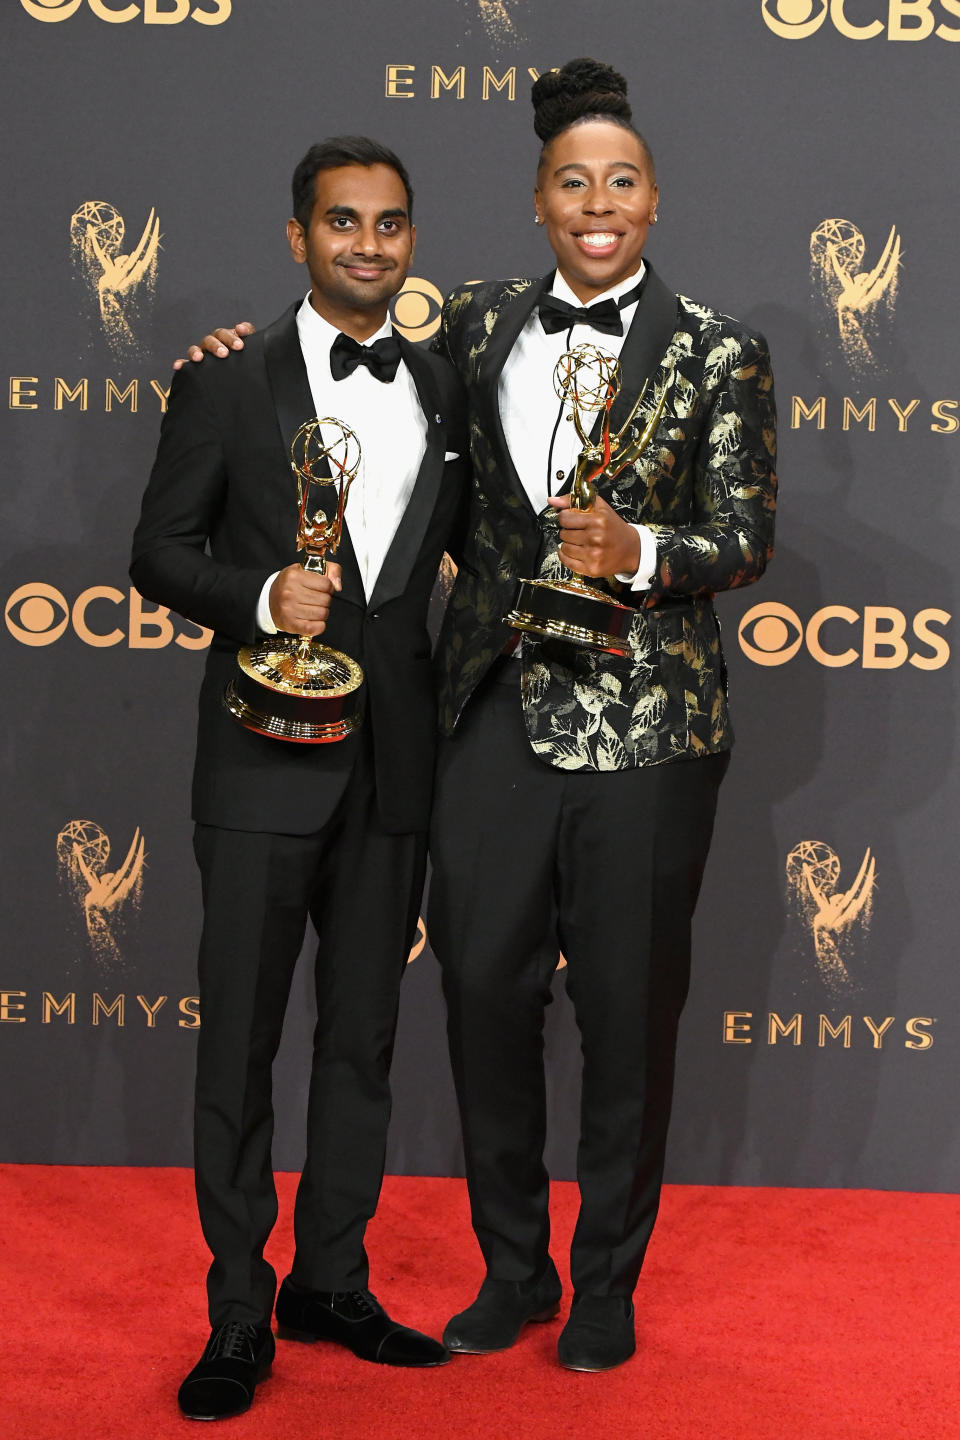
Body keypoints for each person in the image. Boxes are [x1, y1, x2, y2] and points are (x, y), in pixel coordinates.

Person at [182, 57, 778, 1376]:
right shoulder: (478, 324)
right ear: (539, 203)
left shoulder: (721, 348)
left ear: (655, 200)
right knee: (482, 999)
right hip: (488, 720)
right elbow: (331, 361)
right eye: (573, 182)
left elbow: (744, 537)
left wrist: (638, 549)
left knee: (626, 1014)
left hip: (647, 733)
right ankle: (517, 1265)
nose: (598, 201)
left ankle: (609, 1279)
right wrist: (231, 346)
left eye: (621, 181)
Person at [132, 136, 467, 1421]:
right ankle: (236, 1309)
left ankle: (332, 1279)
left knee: (366, 1041)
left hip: (394, 767)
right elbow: (156, 554)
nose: (367, 245)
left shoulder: (442, 385)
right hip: (259, 761)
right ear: (297, 237)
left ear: (410, 242)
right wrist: (261, 593)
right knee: (242, 1044)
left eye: (389, 225)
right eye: (343, 223)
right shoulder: (227, 382)